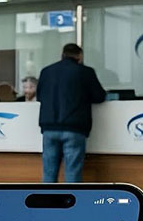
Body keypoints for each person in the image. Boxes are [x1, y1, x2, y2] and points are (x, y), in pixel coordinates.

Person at [37, 44, 106, 183]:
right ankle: (70, 203)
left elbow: (39, 96)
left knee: (49, 173)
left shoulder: (46, 71)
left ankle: (46, 202)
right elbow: (99, 96)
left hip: (49, 128)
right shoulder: (85, 72)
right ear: (80, 56)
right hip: (74, 128)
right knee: (72, 173)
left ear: (62, 54)